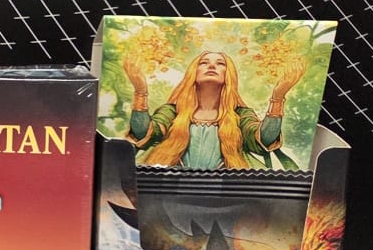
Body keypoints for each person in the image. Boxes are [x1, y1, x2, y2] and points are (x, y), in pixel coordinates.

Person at [122, 48, 303, 168]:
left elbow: (264, 139)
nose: (211, 65)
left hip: (223, 194)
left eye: (220, 63)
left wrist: (278, 96)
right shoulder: (172, 112)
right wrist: (140, 91)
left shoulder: (240, 115)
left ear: (228, 75)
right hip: (173, 189)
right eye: (204, 62)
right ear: (193, 72)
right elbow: (142, 133)